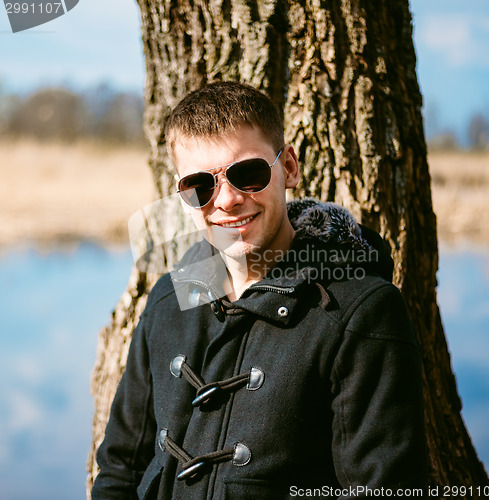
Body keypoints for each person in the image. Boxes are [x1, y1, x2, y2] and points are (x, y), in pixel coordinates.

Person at [92, 81, 427, 500]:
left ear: (288, 167)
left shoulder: (360, 312)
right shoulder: (167, 300)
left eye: (247, 173)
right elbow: (120, 469)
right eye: (200, 185)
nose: (227, 200)